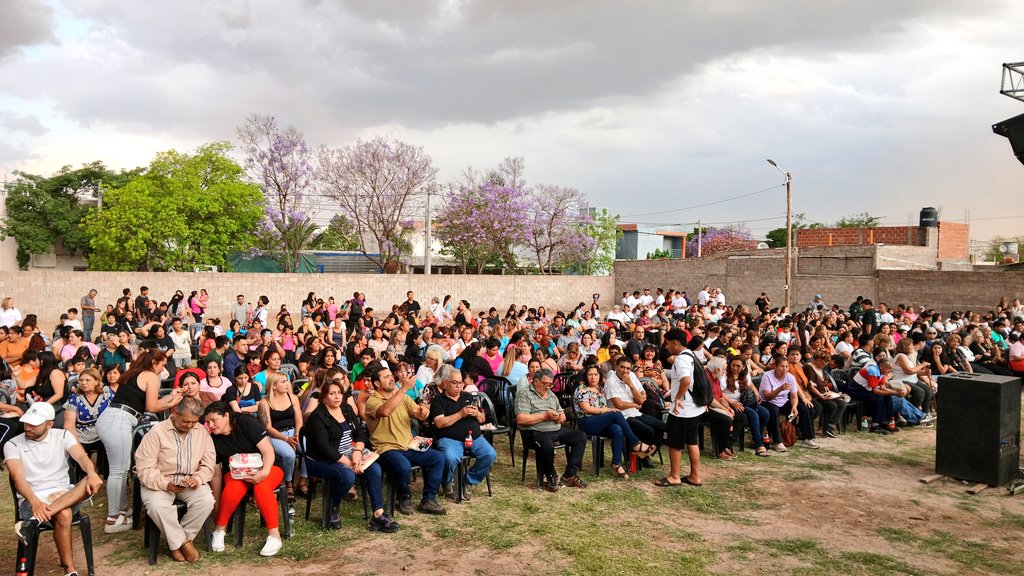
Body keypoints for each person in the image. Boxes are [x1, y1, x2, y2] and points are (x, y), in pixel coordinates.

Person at [6, 402, 104, 576]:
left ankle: (32, 524)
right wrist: (35, 503)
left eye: (34, 424)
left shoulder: (63, 435)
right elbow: (17, 478)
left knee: (88, 480)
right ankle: (70, 571)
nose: (27, 427)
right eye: (26, 422)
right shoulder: (13, 444)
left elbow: (82, 457)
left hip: (64, 493)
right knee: (64, 514)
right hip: (32, 499)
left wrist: (91, 473)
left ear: (49, 424)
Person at [96, 348, 185, 533]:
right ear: (154, 363)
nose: (163, 369)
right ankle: (113, 518)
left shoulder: (134, 373)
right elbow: (152, 407)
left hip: (114, 418)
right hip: (119, 420)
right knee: (119, 470)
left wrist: (171, 397)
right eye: (162, 365)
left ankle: (122, 510)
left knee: (121, 468)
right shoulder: (151, 376)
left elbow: (147, 404)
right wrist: (172, 402)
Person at [301, 378, 398, 531]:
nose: (337, 396)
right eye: (332, 394)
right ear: (324, 397)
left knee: (375, 469)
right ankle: (332, 508)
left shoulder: (346, 409)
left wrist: (357, 453)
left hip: (348, 453)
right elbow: (324, 448)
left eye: (339, 393)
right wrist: (351, 463)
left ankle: (378, 515)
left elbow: (360, 434)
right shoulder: (317, 416)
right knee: (347, 476)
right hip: (321, 460)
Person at [134, 397, 216, 563]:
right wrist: (166, 484)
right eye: (186, 421)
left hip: (189, 481)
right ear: (175, 413)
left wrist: (198, 478)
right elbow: (144, 469)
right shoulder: (157, 432)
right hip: (160, 481)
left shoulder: (201, 432)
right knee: (157, 506)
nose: (190, 426)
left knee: (206, 500)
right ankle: (183, 543)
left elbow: (209, 464)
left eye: (194, 422)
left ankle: (177, 542)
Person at [364, 361, 448, 515]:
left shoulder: (402, 397)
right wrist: (403, 389)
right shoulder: (372, 402)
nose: (391, 379)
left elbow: (417, 413)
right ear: (376, 383)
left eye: (391, 376)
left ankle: (428, 500)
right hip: (386, 449)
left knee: (438, 458)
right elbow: (385, 411)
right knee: (403, 466)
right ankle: (404, 497)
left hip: (408, 445)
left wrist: (423, 412)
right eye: (386, 377)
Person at [204, 401, 284, 557]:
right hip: (237, 472)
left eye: (214, 420)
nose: (211, 425)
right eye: (208, 422)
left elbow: (268, 451)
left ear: (226, 415)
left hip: (268, 466)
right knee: (232, 489)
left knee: (261, 487)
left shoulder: (246, 423)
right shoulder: (212, 439)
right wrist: (216, 505)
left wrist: (264, 472)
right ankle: (220, 530)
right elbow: (216, 474)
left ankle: (274, 536)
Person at [574, 365, 656, 478]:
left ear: (599, 376)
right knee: (615, 414)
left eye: (596, 374)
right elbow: (587, 409)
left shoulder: (600, 389)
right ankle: (635, 443)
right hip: (586, 422)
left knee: (617, 429)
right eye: (590, 374)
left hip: (600, 422)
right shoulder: (581, 389)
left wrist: (608, 410)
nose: (593, 377)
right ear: (585, 376)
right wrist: (605, 410)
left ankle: (616, 464)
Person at [515, 368, 588, 492]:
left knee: (580, 436)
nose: (548, 387)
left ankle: (570, 475)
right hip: (534, 432)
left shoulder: (551, 394)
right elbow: (521, 419)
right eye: (545, 384)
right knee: (546, 444)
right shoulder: (525, 394)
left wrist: (560, 417)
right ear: (535, 381)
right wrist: (544, 416)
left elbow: (562, 415)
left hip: (555, 429)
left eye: (550, 384)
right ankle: (550, 475)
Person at [429, 368, 497, 500]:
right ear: (446, 383)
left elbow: (482, 419)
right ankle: (447, 482)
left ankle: (468, 481)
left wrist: (477, 414)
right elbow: (439, 423)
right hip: (449, 438)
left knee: (490, 454)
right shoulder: (438, 400)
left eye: (460, 382)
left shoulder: (468, 397)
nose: (458, 386)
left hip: (474, 437)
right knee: (450, 457)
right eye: (454, 383)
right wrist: (461, 414)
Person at [656, 328, 704, 487]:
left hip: (682, 409)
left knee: (674, 443)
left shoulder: (680, 359)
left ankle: (674, 476)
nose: (667, 347)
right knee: (692, 441)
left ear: (675, 343)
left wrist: (677, 398)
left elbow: (686, 380)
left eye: (668, 343)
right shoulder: (692, 355)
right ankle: (695, 476)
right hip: (694, 407)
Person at [257, 372, 303, 499]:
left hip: (294, 432)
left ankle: (303, 480)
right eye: (283, 382)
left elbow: (299, 420)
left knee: (309, 448)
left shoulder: (293, 398)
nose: (287, 384)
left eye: (287, 381)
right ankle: (288, 482)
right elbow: (267, 427)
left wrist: (296, 436)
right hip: (275, 436)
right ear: (273, 385)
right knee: (289, 454)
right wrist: (286, 439)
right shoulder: (264, 402)